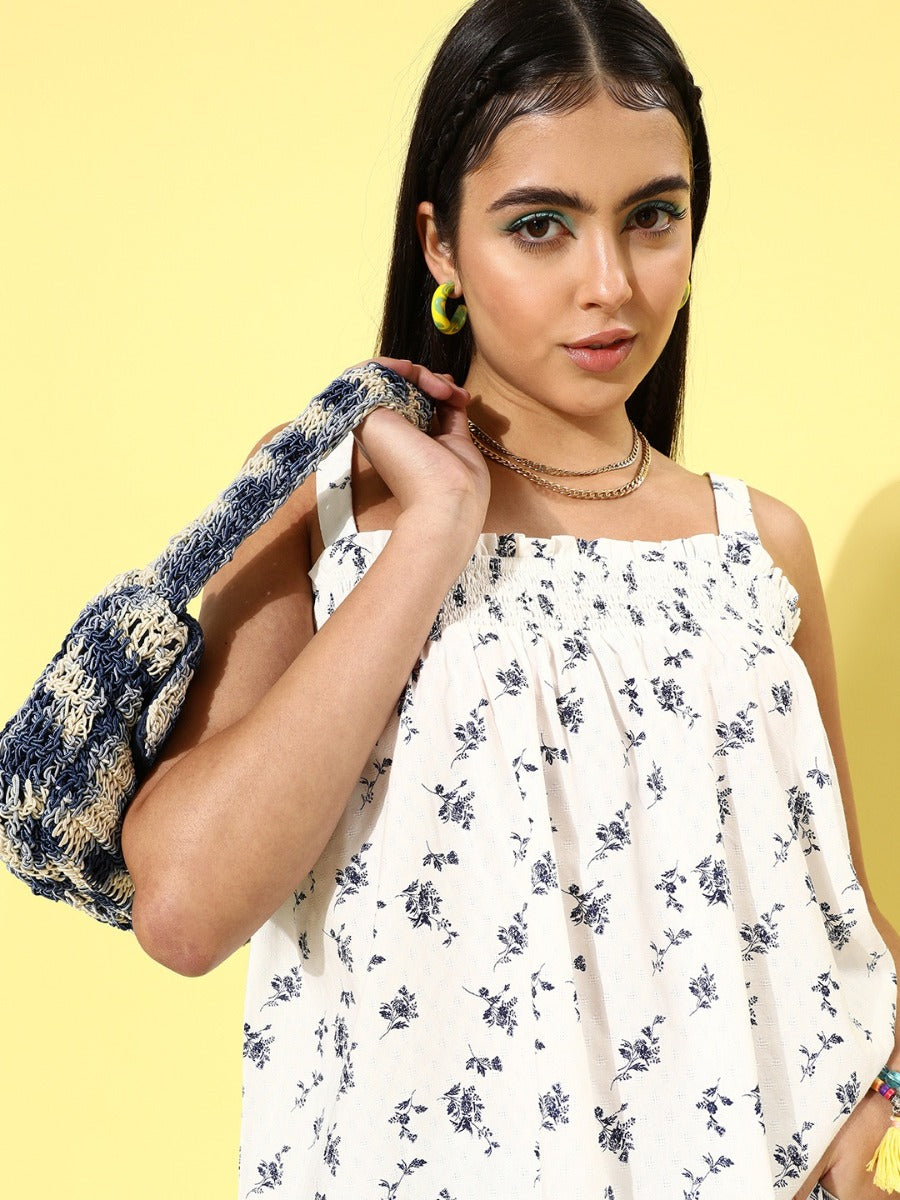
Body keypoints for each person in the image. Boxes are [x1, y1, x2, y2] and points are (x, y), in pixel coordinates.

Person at [119, 0, 899, 1196]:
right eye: (541, 225)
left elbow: (847, 923)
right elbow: (183, 910)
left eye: (653, 216)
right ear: (440, 245)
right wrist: (433, 531)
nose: (610, 284)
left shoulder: (754, 551)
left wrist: (882, 1097)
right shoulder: (321, 506)